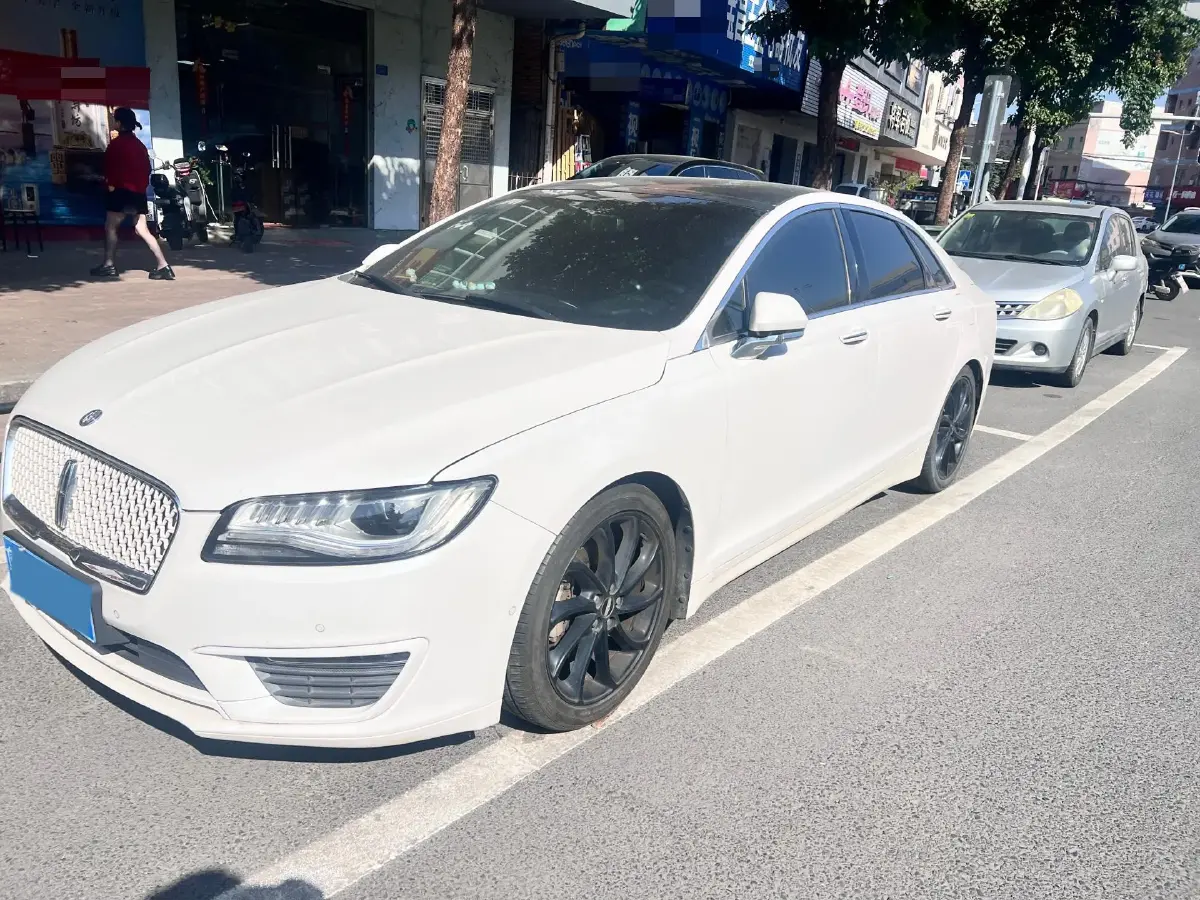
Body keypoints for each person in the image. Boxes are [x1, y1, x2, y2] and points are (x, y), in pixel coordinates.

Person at [90, 107, 174, 280]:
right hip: (138, 194)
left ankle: (108, 265)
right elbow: (146, 169)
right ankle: (163, 265)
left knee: (111, 227)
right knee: (142, 229)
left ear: (120, 123)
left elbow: (110, 168)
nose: (113, 122)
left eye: (115, 120)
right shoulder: (140, 146)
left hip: (120, 192)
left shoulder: (117, 145)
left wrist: (111, 185)